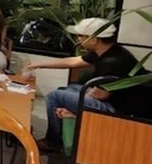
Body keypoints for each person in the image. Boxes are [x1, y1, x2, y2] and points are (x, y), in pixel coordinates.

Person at [25, 17, 145, 152]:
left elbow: (100, 95)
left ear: (94, 40)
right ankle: (67, 127)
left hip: (120, 111)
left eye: (81, 36)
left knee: (55, 96)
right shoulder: (108, 50)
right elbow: (72, 62)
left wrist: (73, 109)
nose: (78, 39)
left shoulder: (113, 61)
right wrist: (39, 64)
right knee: (71, 88)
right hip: (112, 100)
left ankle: (53, 142)